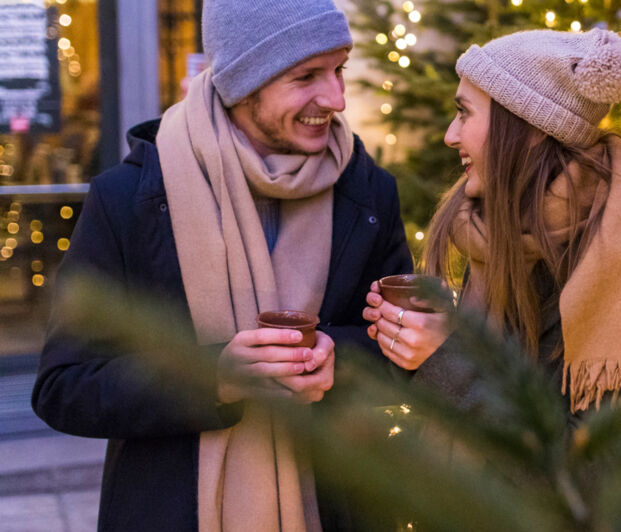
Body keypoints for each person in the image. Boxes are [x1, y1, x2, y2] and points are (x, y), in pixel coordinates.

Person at [32, 0, 412, 530]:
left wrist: (338, 359)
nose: (336, 97)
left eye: (339, 69)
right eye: (306, 75)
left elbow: (397, 354)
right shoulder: (127, 200)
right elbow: (64, 389)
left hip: (333, 505)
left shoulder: (367, 192)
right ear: (242, 83)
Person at [363, 29, 621, 424]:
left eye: (465, 113)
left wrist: (449, 357)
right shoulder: (500, 229)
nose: (450, 135)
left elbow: (595, 479)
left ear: (527, 125)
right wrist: (435, 338)